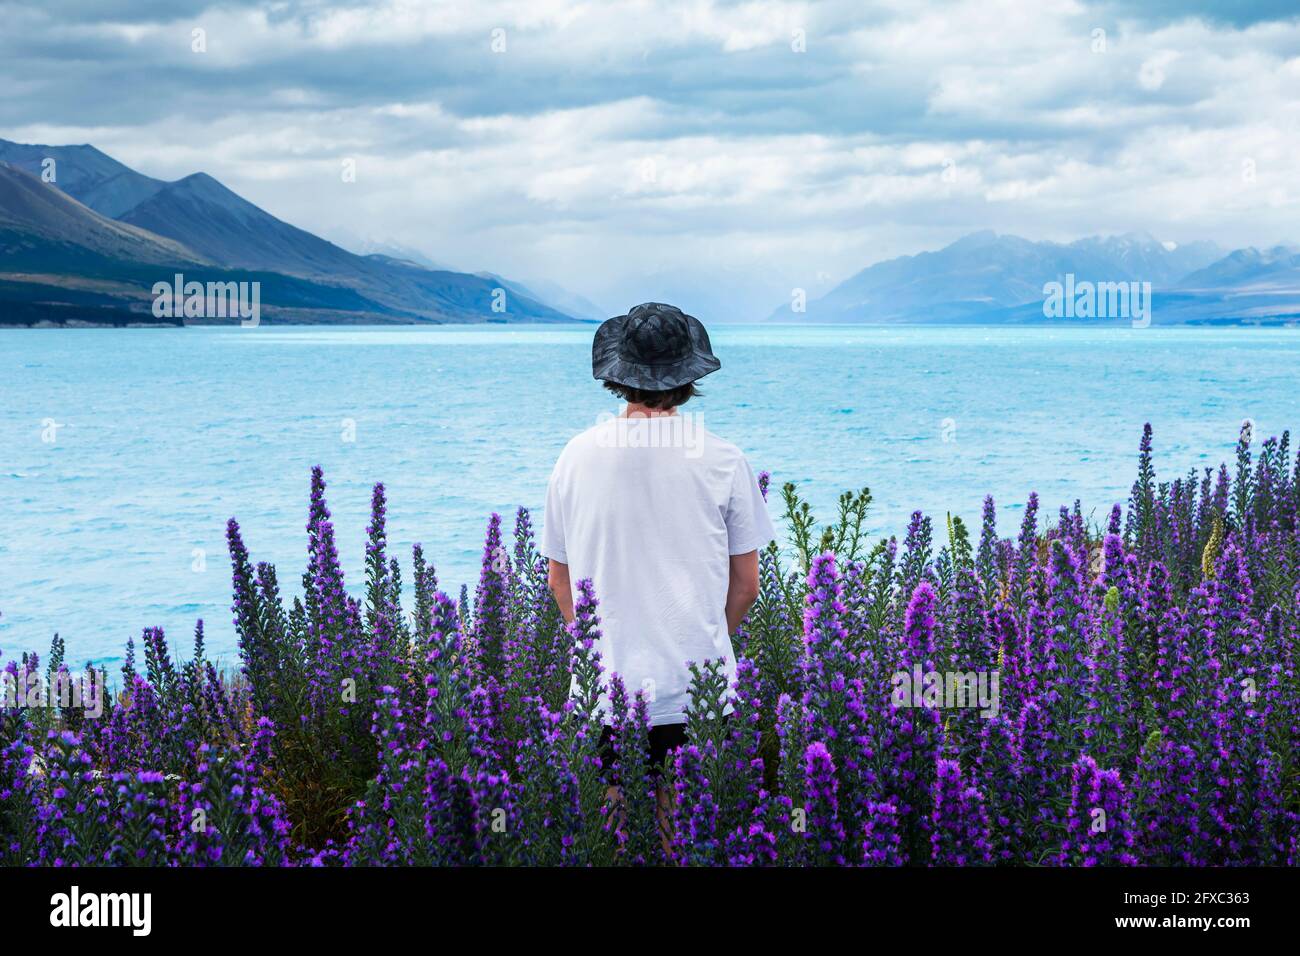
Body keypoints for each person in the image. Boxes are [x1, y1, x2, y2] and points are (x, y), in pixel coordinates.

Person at [540, 301, 777, 775]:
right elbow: (746, 586)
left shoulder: (575, 456)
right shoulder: (724, 460)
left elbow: (558, 580)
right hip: (697, 692)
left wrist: (594, 648)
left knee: (612, 837)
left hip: (604, 690)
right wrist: (703, 639)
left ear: (618, 374)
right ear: (689, 379)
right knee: (686, 837)